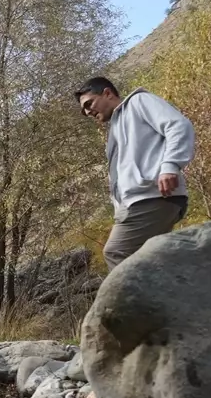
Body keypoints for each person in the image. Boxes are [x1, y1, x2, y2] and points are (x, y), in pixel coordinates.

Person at [75, 77, 196, 271]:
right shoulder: (116, 127)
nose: (88, 112)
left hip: (152, 196)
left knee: (116, 252)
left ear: (107, 93)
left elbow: (178, 125)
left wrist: (170, 166)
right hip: (137, 202)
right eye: (84, 111)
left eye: (89, 104)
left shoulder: (139, 102)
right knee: (154, 262)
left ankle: (142, 295)